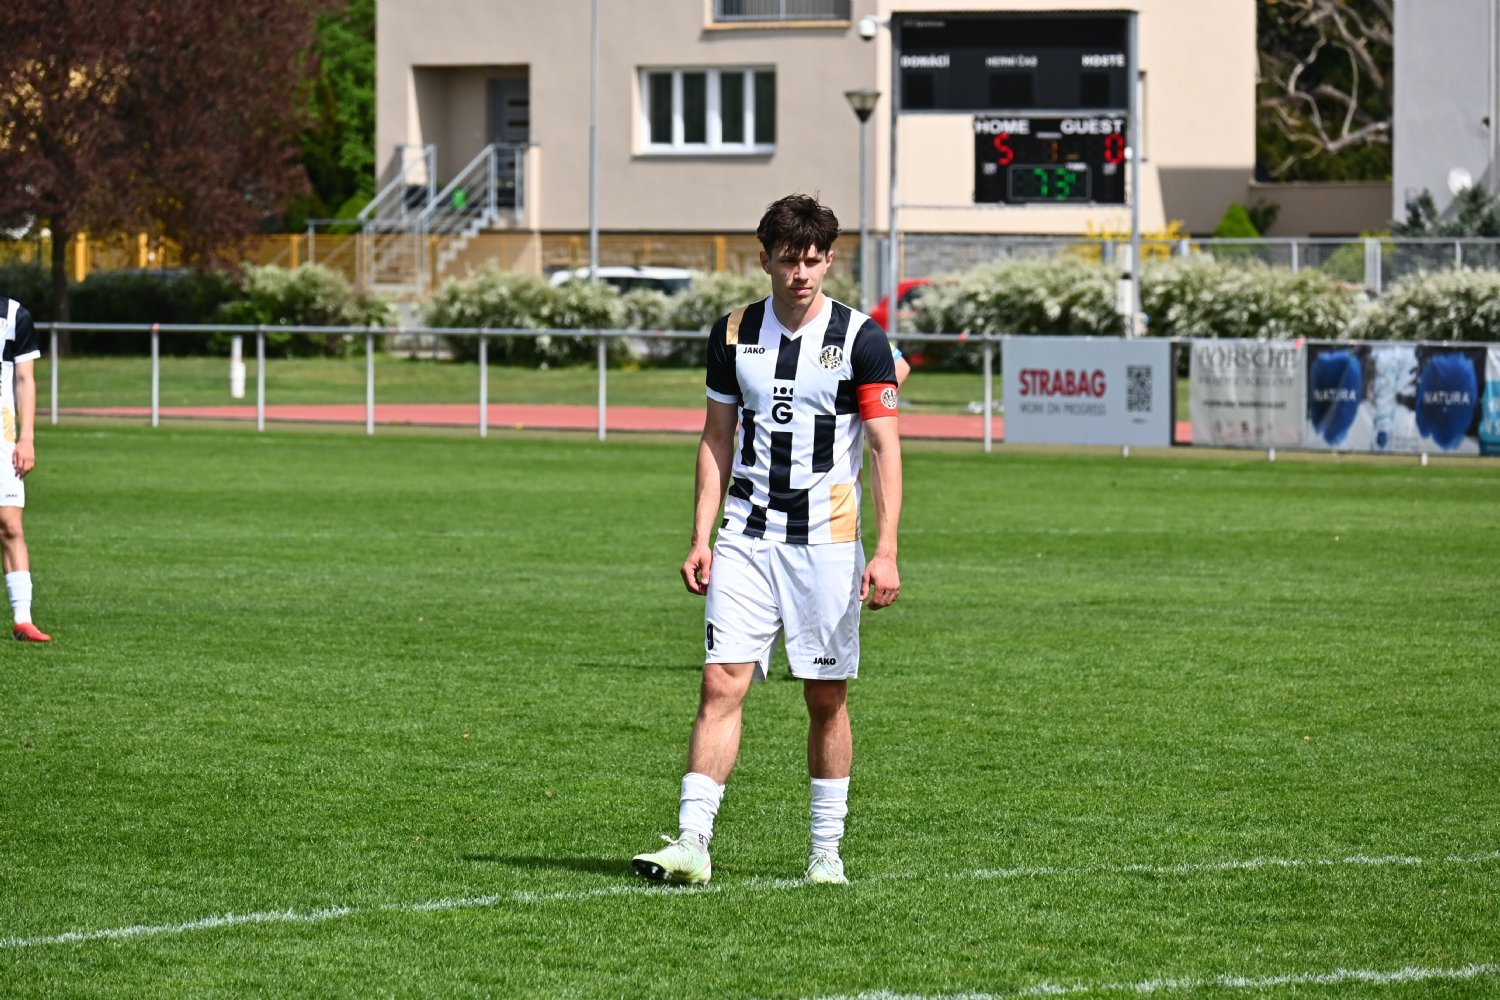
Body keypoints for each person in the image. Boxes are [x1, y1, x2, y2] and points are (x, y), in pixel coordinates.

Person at [632, 194, 901, 886]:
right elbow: (715, 437)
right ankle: (692, 844)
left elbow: (883, 447)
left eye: (812, 260)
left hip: (828, 543)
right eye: (788, 260)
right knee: (720, 682)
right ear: (765, 260)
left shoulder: (860, 337)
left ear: (829, 260)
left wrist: (886, 550)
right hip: (746, 536)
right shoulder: (732, 332)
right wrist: (700, 534)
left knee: (825, 697)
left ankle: (826, 851)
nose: (800, 274)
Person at [0, 296, 48, 642]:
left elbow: (24, 380)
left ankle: (23, 619)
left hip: (3, 437)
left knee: (11, 526)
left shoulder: (15, 315)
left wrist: (26, 438)